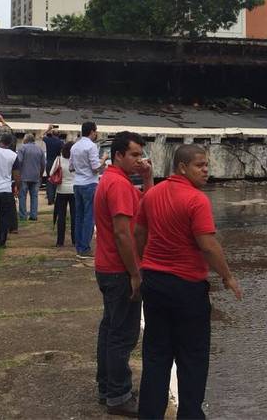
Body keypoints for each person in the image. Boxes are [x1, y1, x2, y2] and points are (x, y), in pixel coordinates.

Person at [134, 144, 242, 420]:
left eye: (207, 165)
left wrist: (144, 263)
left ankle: (149, 415)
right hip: (186, 289)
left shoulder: (152, 194)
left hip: (155, 285)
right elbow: (207, 244)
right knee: (192, 359)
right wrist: (227, 276)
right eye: (200, 165)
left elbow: (139, 232)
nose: (206, 170)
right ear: (182, 167)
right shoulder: (196, 200)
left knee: (156, 356)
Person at [92, 131, 154, 416]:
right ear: (118, 155)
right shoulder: (117, 184)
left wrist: (149, 178)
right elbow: (122, 233)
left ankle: (108, 387)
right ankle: (118, 395)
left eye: (141, 155)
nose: (139, 160)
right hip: (119, 269)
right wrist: (135, 273)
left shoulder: (117, 180)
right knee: (123, 335)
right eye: (134, 155)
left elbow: (146, 206)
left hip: (108, 267)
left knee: (110, 330)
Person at [70, 121, 103, 259]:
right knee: (90, 216)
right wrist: (104, 160)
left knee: (79, 216)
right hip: (90, 183)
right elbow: (96, 168)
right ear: (92, 132)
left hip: (77, 183)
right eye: (95, 131)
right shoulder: (92, 146)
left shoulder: (75, 146)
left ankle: (79, 246)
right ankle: (85, 248)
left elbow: (71, 167)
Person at [49, 141, 76, 246]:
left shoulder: (58, 159)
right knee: (74, 216)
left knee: (61, 216)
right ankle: (75, 240)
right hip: (74, 190)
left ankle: (60, 241)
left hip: (61, 190)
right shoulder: (75, 160)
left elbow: (51, 173)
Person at [17, 133, 45, 221]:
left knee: (22, 196)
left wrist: (17, 174)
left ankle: (23, 215)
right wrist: (40, 174)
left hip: (24, 176)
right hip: (36, 176)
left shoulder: (22, 148)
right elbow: (43, 164)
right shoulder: (40, 149)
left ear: (26, 140)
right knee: (34, 196)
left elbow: (19, 161)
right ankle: (33, 215)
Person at [42, 125, 64, 205]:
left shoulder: (48, 140)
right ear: (59, 134)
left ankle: (49, 197)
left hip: (49, 162)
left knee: (49, 180)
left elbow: (42, 136)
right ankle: (53, 197)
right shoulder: (61, 142)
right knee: (56, 179)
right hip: (57, 162)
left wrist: (48, 129)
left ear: (52, 134)